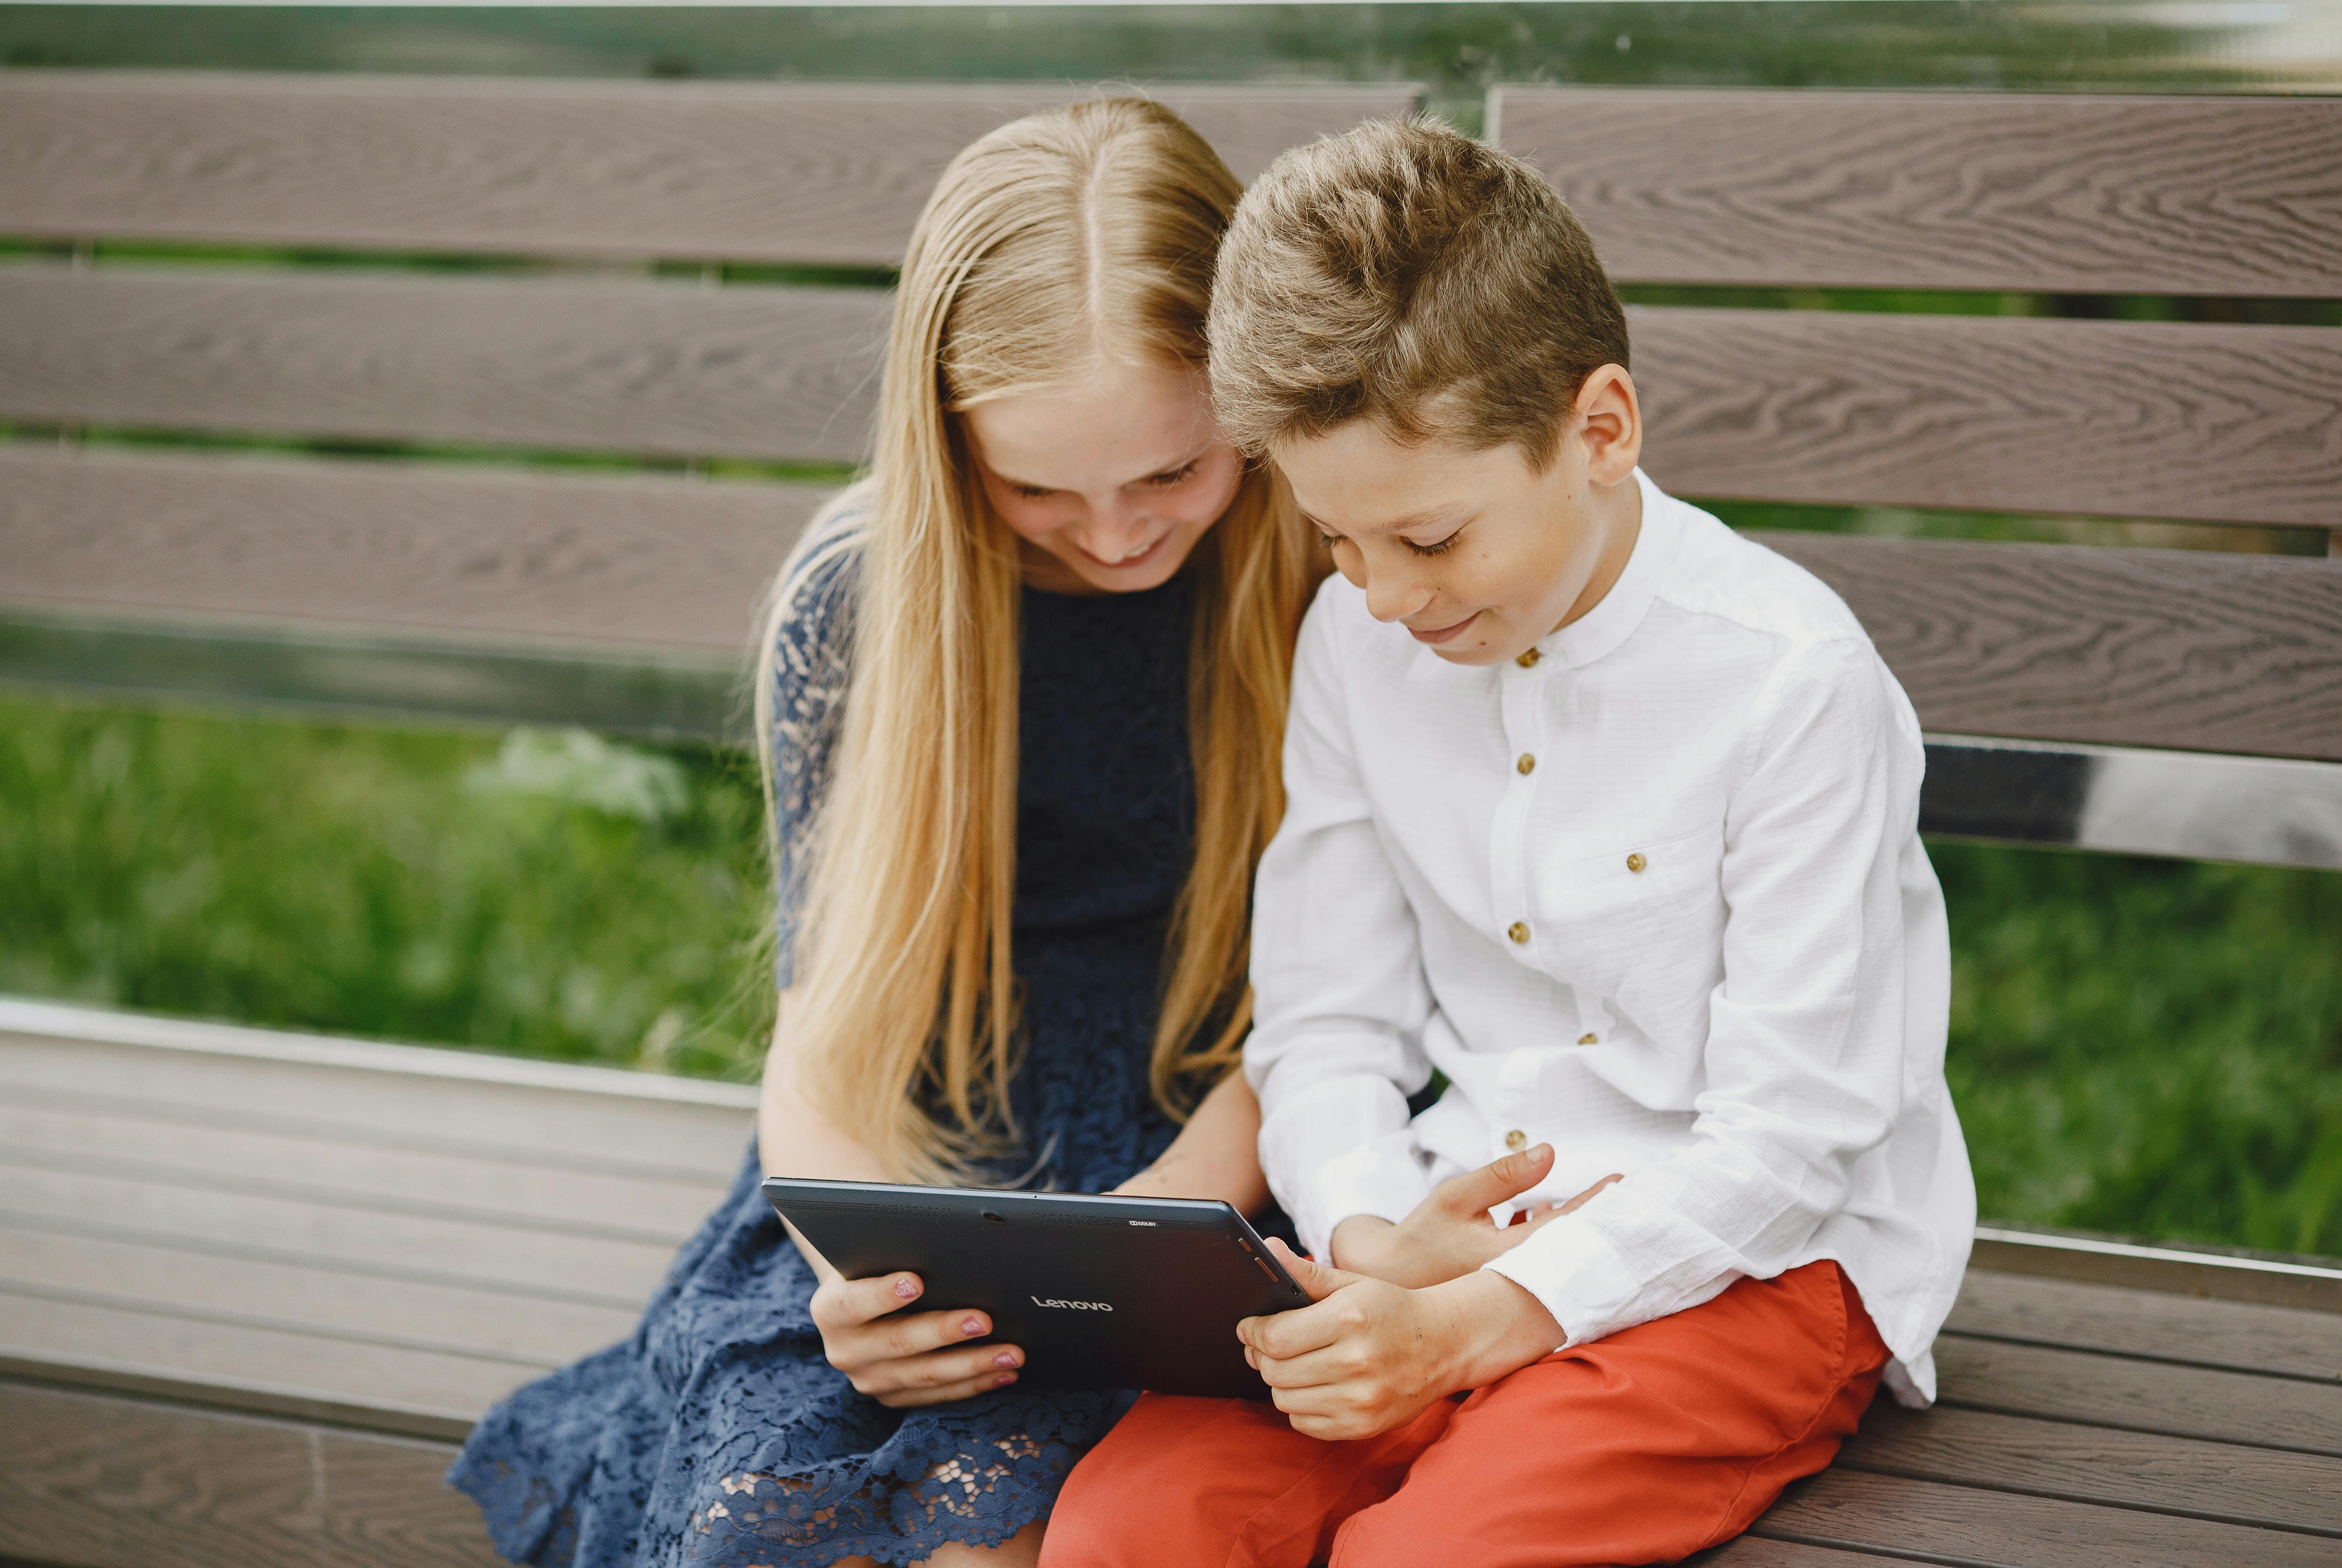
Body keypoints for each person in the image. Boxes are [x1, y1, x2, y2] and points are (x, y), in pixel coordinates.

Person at [1040, 116, 1975, 1568]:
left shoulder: (1791, 680)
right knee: (1124, 1534)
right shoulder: (1355, 636)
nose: (1385, 596)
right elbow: (1330, 1016)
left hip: (1754, 1257)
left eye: (1427, 540)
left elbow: (1794, 1139)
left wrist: (1471, 1329)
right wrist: (1366, 1240)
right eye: (1337, 543)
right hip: (1444, 1223)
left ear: (1599, 430)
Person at [447, 97, 1321, 1568]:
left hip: (1230, 1124)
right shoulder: (865, 595)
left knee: (988, 1539)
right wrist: (853, 1274)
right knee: (773, 1513)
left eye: (1171, 472)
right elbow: (826, 1017)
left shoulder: (1319, 568)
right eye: (1038, 485)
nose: (1113, 536)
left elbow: (1359, 997)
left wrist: (1157, 1230)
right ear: (945, 433)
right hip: (920, 1145)